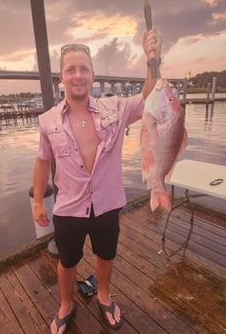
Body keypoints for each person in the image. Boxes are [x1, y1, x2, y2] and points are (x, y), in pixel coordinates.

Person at [33, 28, 162, 334]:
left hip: (106, 203)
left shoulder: (115, 108)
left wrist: (152, 60)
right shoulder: (47, 120)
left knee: (105, 255)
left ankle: (104, 296)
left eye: (83, 69)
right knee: (67, 261)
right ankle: (66, 304)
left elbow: (149, 97)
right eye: (70, 70)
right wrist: (38, 200)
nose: (77, 75)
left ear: (92, 75)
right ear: (61, 77)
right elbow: (42, 160)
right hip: (68, 207)